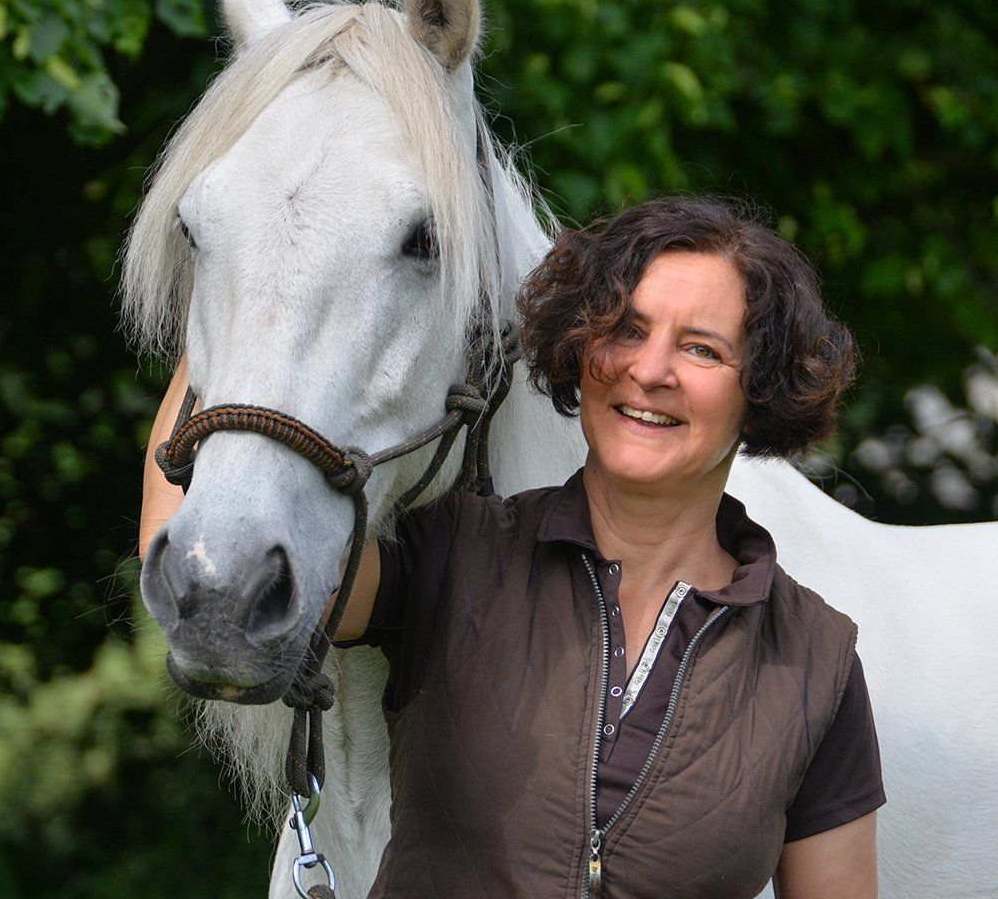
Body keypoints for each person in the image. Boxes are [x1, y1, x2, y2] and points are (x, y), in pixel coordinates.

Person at [141, 197, 885, 898]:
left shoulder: (815, 663)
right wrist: (236, 309)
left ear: (759, 392)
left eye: (699, 348)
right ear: (580, 347)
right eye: (627, 329)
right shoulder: (454, 557)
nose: (650, 371)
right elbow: (208, 570)